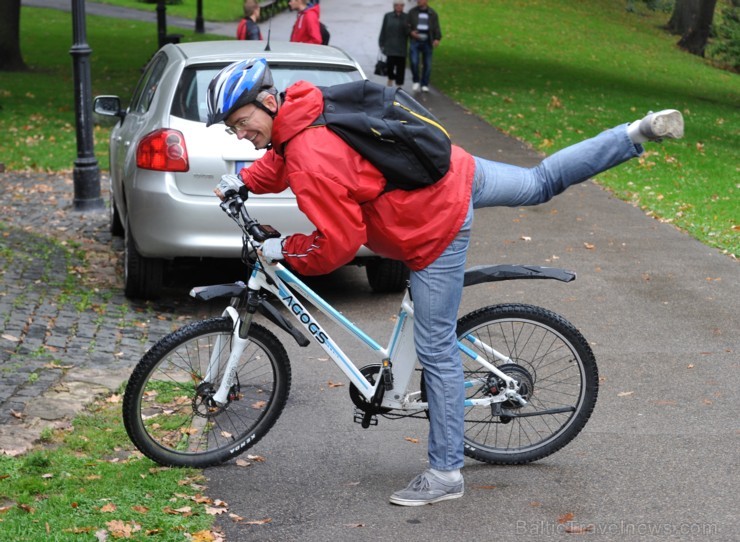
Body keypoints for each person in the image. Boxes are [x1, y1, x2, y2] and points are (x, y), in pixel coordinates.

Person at [206, 58, 684, 506]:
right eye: (231, 128)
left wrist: (284, 249)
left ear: (269, 103)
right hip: (458, 172)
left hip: (434, 228)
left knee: (436, 348)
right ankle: (634, 133)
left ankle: (445, 474)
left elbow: (339, 242)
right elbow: (285, 153)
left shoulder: (310, 157)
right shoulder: (306, 106)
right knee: (539, 182)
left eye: (241, 122)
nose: (240, 133)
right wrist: (245, 181)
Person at [407, 0, 441, 93]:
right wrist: (411, 32)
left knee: (428, 64)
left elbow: (436, 27)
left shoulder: (432, 13)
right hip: (415, 40)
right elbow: (406, 25)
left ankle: (424, 84)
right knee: (414, 61)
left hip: (427, 41)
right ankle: (416, 80)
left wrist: (437, 38)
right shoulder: (412, 12)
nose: (418, 1)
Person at [379, 1, 410, 87]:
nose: (399, 7)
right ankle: (390, 78)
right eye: (397, 5)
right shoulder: (388, 16)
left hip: (401, 46)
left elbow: (409, 31)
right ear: (394, 6)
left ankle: (399, 84)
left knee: (401, 67)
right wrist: (381, 42)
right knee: (390, 65)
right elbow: (383, 29)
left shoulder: (407, 17)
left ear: (403, 6)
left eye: (401, 5)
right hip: (390, 46)